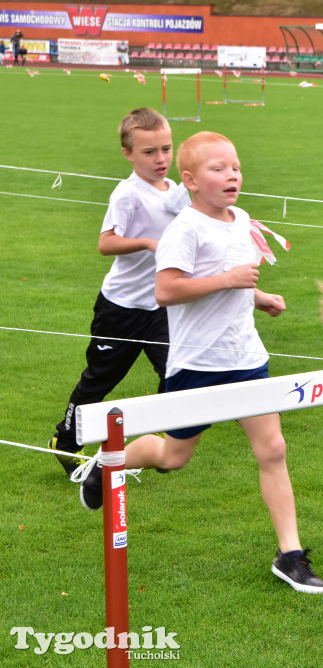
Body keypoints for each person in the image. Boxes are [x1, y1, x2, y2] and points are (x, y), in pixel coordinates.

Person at [74, 131, 323, 595]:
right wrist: (229, 279)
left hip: (246, 356)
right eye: (218, 169)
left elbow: (232, 280)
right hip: (196, 365)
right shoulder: (183, 230)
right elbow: (166, 290)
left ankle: (290, 555)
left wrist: (258, 296)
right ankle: (109, 463)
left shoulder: (242, 218)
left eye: (235, 166)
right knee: (174, 457)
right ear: (189, 180)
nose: (232, 175)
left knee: (273, 450)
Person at [48, 108, 188, 477]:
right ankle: (65, 442)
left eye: (166, 149)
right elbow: (106, 243)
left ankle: (158, 444)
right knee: (99, 380)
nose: (161, 159)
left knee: (176, 371)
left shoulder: (175, 191)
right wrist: (146, 243)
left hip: (160, 306)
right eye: (149, 152)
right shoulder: (127, 194)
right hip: (120, 309)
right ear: (128, 153)